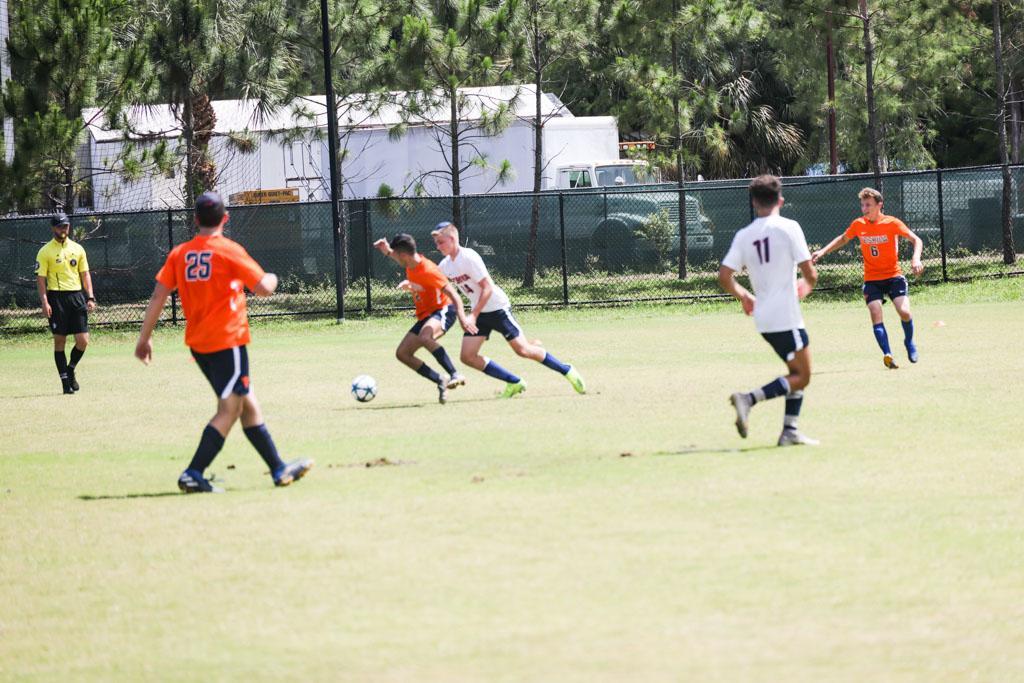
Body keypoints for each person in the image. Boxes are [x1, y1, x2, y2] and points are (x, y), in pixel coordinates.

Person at [134, 192, 313, 493]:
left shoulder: (180, 254)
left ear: (195, 220)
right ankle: (193, 472)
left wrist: (144, 338)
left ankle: (278, 469)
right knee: (229, 409)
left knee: (248, 405)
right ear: (225, 218)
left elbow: (157, 297)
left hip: (200, 344)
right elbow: (263, 288)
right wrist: (272, 277)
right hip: (227, 342)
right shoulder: (229, 250)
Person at [719, 175, 819, 446]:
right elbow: (810, 272)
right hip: (786, 315)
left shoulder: (744, 235)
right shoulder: (789, 227)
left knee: (795, 372)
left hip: (763, 318)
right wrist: (807, 285)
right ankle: (748, 399)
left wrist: (744, 297)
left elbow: (725, 276)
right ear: (780, 201)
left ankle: (790, 431)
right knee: (803, 376)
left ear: (754, 202)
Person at [432, 222, 586, 398]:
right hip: (479, 313)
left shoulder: (469, 257)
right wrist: (413, 285)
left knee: (523, 350)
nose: (438, 247)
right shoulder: (445, 265)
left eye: (441, 242)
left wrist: (472, 315)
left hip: (497, 308)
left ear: (452, 239)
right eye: (436, 243)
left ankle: (566, 370)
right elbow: (434, 282)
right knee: (467, 356)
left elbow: (488, 288)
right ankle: (514, 382)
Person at [811, 187, 924, 368]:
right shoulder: (859, 224)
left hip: (894, 276)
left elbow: (916, 240)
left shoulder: (892, 223)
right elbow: (843, 239)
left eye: (868, 205)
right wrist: (822, 251)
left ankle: (909, 342)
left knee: (904, 312)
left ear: (879, 205)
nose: (864, 209)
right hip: (872, 279)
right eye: (862, 205)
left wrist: (916, 258)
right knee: (875, 311)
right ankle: (887, 354)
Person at [372, 233, 471, 404]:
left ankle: (454, 373)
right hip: (426, 315)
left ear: (404, 255)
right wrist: (386, 250)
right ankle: (440, 379)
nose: (395, 258)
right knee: (403, 354)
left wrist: (463, 319)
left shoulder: (429, 270)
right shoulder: (410, 262)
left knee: (426, 336)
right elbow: (402, 260)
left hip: (444, 310)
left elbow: (454, 295)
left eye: (396, 255)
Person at [35, 212, 97, 394]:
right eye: (60, 226)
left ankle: (70, 369)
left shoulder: (78, 249)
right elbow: (41, 279)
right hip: (57, 298)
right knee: (60, 340)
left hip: (76, 297)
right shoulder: (45, 251)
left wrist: (90, 297)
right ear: (53, 228)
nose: (63, 229)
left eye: (66, 226)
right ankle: (65, 384)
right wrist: (45, 302)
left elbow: (85, 274)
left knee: (83, 340)